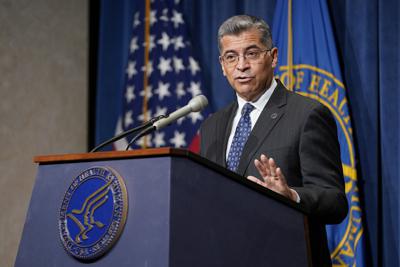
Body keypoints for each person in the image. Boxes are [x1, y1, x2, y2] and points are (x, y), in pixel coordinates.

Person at [199, 15, 348, 266]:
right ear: (222, 66)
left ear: (273, 57)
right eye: (231, 57)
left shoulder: (307, 115)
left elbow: (335, 201)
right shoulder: (212, 125)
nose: (242, 65)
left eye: (252, 53)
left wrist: (292, 196)